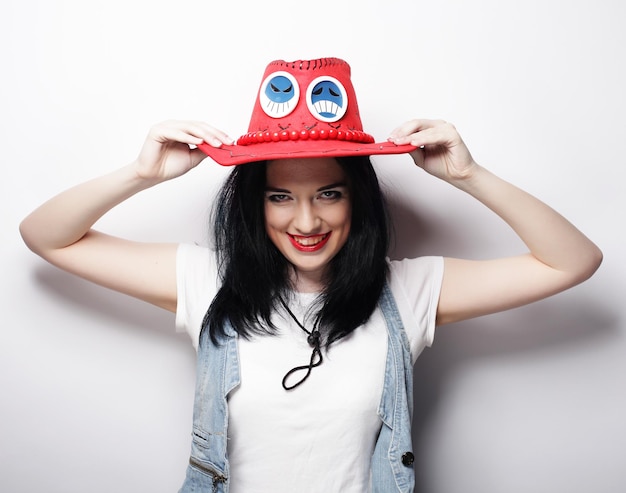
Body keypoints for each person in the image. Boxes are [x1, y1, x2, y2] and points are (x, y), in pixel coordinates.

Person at [19, 58, 602, 493]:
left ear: (359, 201)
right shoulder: (206, 281)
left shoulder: (407, 290)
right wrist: (141, 174)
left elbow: (572, 261)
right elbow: (47, 236)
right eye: (280, 197)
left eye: (329, 193)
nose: (306, 221)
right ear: (255, 205)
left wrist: (469, 175)